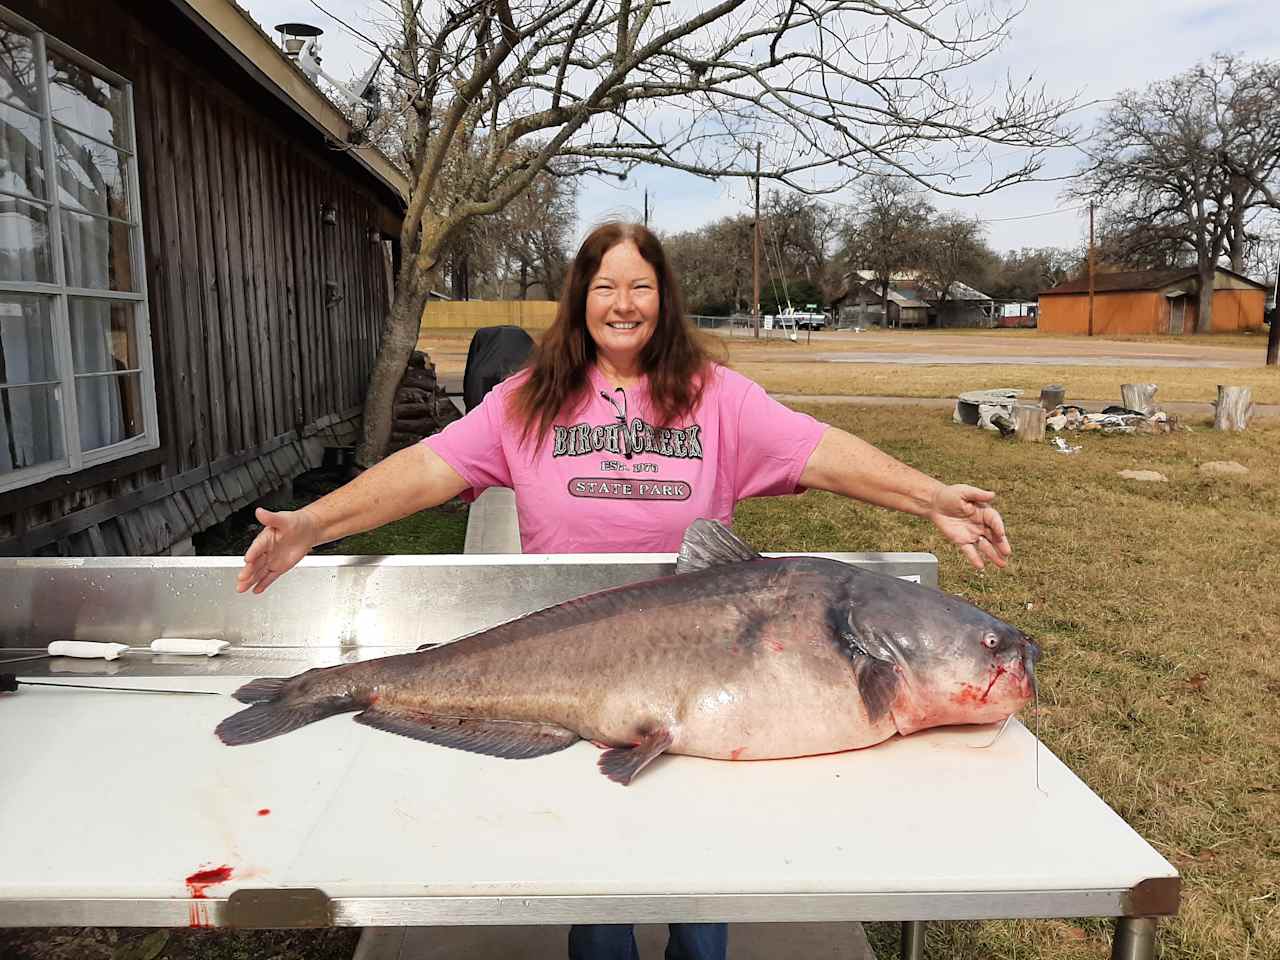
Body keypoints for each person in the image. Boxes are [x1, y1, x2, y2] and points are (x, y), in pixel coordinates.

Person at [235, 222, 1011, 960]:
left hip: (717, 666)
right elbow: (427, 468)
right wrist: (313, 524)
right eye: (605, 286)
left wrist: (930, 497)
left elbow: (820, 450)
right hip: (563, 661)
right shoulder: (528, 399)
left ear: (664, 300)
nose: (624, 304)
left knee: (702, 883)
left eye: (641, 287)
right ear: (579, 300)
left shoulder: (719, 398)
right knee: (597, 881)